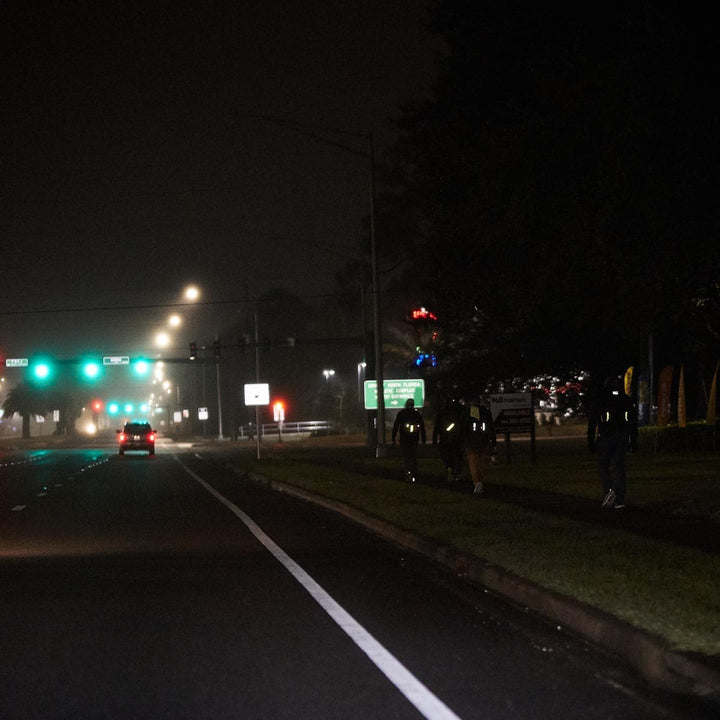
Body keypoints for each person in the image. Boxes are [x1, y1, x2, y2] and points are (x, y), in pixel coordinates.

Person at [587, 376, 639, 509]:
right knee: (619, 467)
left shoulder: (600, 400)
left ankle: (608, 492)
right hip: (622, 437)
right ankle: (620, 499)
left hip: (605, 437)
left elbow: (592, 422)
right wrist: (633, 441)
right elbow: (633, 423)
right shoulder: (626, 399)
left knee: (604, 467)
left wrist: (590, 442)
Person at [461, 397, 496, 495]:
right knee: (481, 462)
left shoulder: (467, 412)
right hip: (483, 442)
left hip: (471, 442)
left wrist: (463, 442)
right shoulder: (485, 412)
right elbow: (491, 428)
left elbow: (463, 429)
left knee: (473, 462)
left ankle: (477, 482)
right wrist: (493, 442)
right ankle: (480, 481)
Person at [391, 398, 426, 482]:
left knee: (406, 457)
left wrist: (393, 438)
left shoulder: (402, 414)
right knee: (413, 457)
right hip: (413, 439)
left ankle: (408, 473)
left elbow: (396, 426)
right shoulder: (416, 414)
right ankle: (413, 474)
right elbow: (422, 427)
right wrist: (423, 439)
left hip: (405, 439)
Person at [432, 396, 465, 482]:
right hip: (456, 438)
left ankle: (449, 467)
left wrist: (434, 440)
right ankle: (457, 473)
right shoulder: (458, 412)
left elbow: (436, 427)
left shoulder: (441, 413)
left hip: (444, 438)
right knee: (458, 456)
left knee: (446, 455)